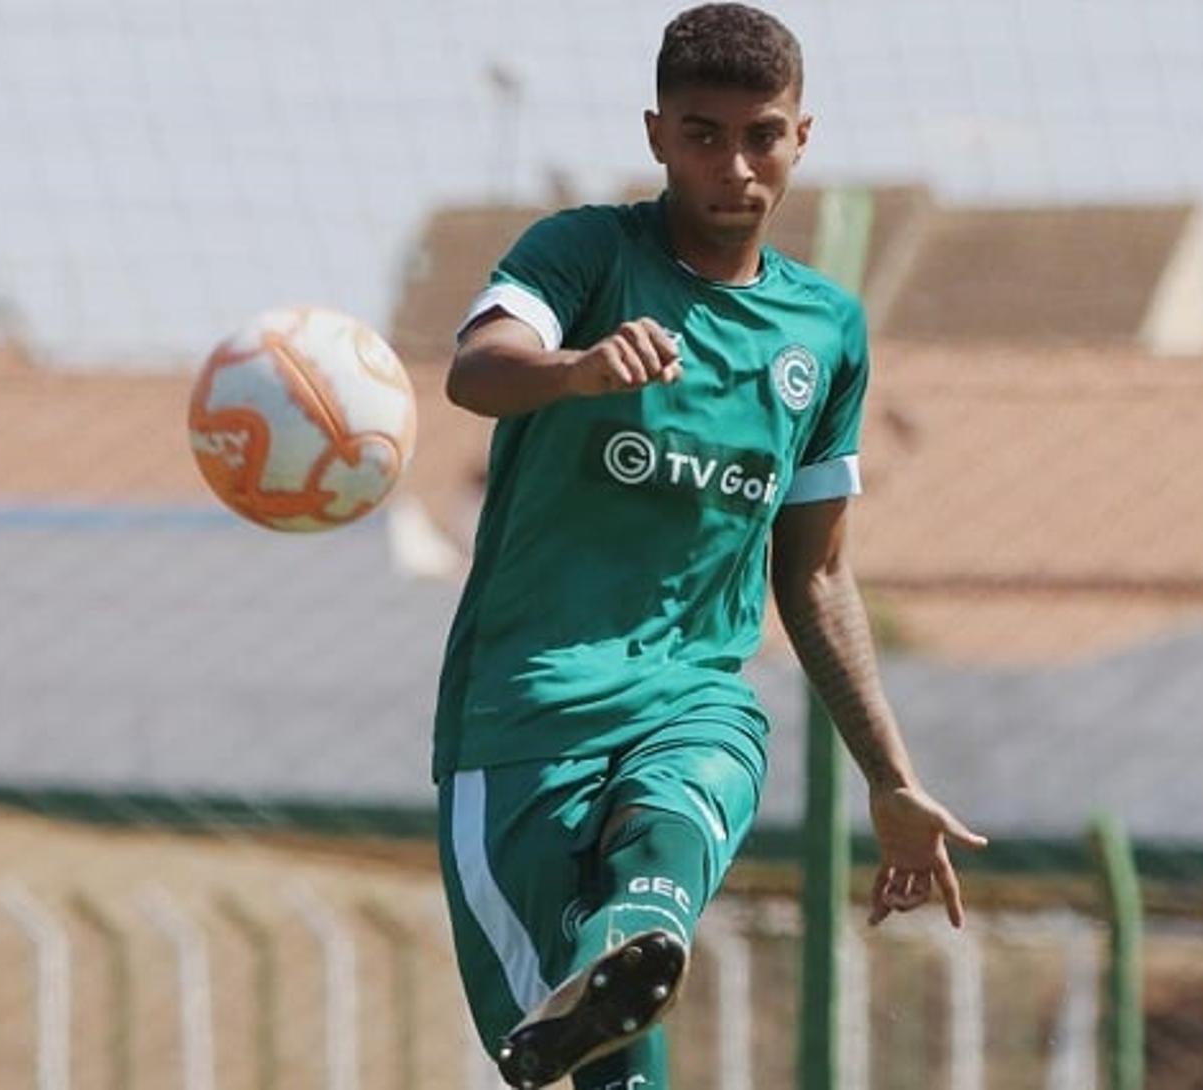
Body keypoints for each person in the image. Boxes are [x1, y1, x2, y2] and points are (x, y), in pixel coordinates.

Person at [434, 5, 987, 1087]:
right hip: (525, 713)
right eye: (701, 134)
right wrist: (578, 371)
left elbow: (817, 570)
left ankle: (630, 942)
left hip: (694, 695)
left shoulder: (824, 331)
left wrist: (893, 777)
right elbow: (478, 370)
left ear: (802, 137)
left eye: (761, 134)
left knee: (679, 820)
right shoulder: (587, 254)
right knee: (589, 1074)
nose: (733, 165)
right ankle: (611, 979)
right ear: (655, 134)